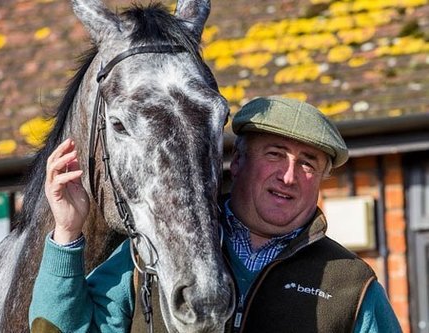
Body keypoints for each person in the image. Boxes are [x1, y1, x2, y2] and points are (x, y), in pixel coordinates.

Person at [29, 96, 402, 332]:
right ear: (237, 162)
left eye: (307, 163)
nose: (288, 176)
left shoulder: (352, 285)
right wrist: (66, 231)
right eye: (274, 154)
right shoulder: (153, 251)